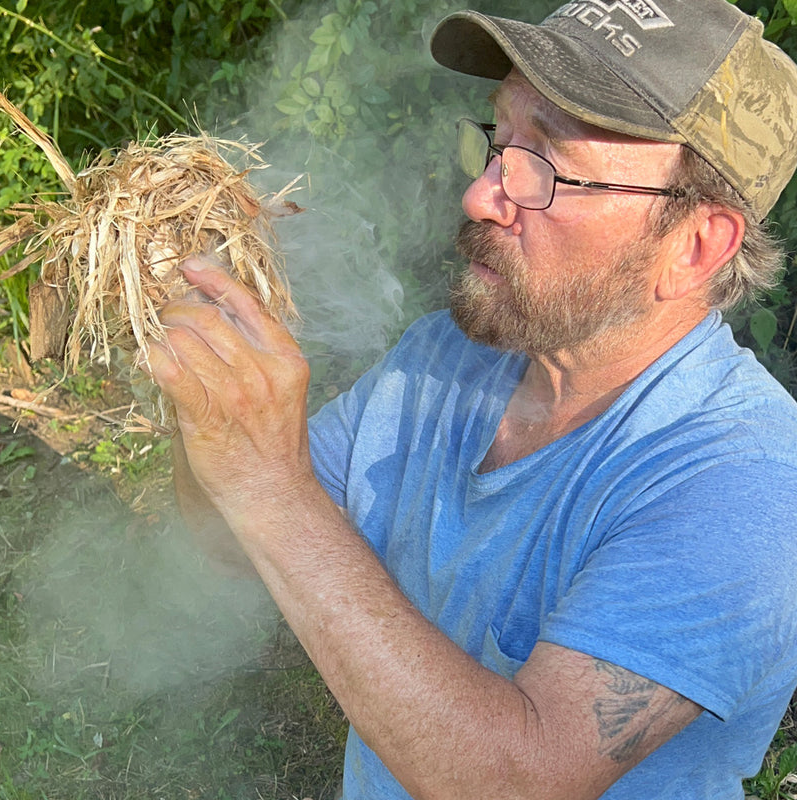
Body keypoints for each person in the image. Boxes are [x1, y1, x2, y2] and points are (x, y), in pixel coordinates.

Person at [147, 1, 797, 798]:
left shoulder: (750, 481)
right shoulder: (447, 361)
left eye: (546, 166)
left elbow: (516, 782)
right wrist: (211, 405)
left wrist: (270, 487)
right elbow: (232, 541)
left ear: (694, 247)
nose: (482, 196)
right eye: (498, 141)